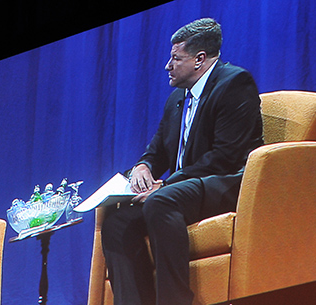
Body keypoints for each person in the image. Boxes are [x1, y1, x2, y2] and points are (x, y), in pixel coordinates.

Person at [101, 18, 263, 305]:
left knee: (161, 201)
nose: (168, 65)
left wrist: (165, 184)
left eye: (176, 58)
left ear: (200, 60)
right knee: (117, 219)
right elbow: (158, 149)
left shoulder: (235, 83)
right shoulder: (177, 98)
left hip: (226, 183)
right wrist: (144, 167)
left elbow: (224, 157)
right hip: (187, 185)